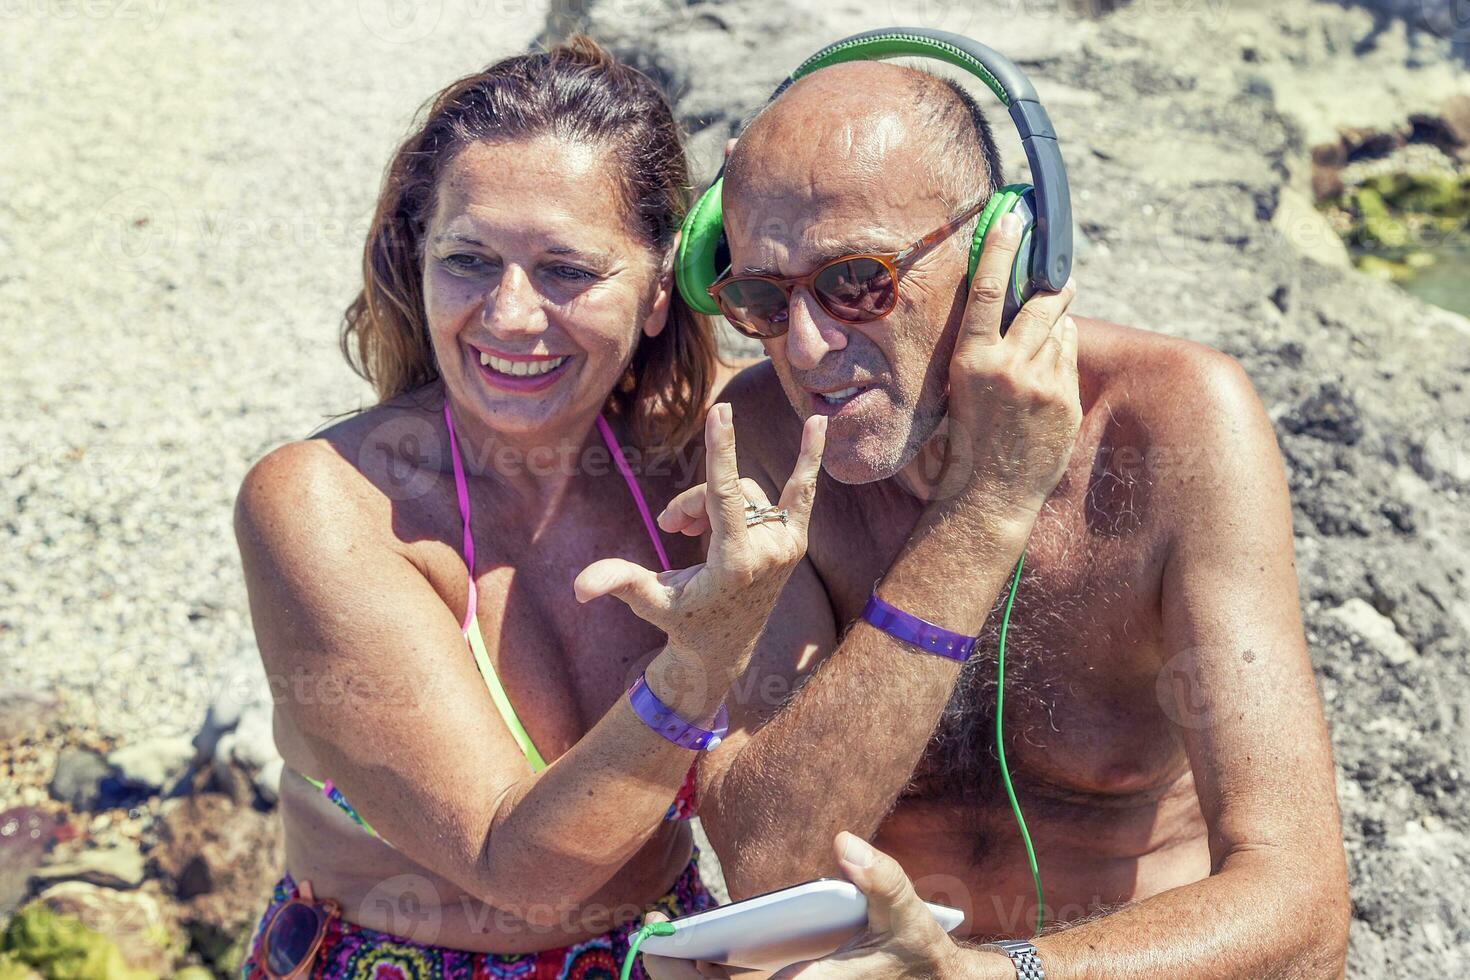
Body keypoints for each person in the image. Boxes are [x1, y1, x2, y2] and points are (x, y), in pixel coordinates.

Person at [642, 60, 1350, 978]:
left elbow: (1303, 912)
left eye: (858, 282)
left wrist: (984, 973)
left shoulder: (1176, 424)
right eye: (765, 300)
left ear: (1001, 253)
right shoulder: (766, 441)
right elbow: (769, 865)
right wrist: (983, 511)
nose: (808, 347)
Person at [233, 37, 825, 978]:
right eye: (468, 259)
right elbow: (520, 870)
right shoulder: (326, 501)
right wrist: (703, 657)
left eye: (566, 270)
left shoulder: (704, 450)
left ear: (662, 284)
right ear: (414, 260)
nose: (510, 316)